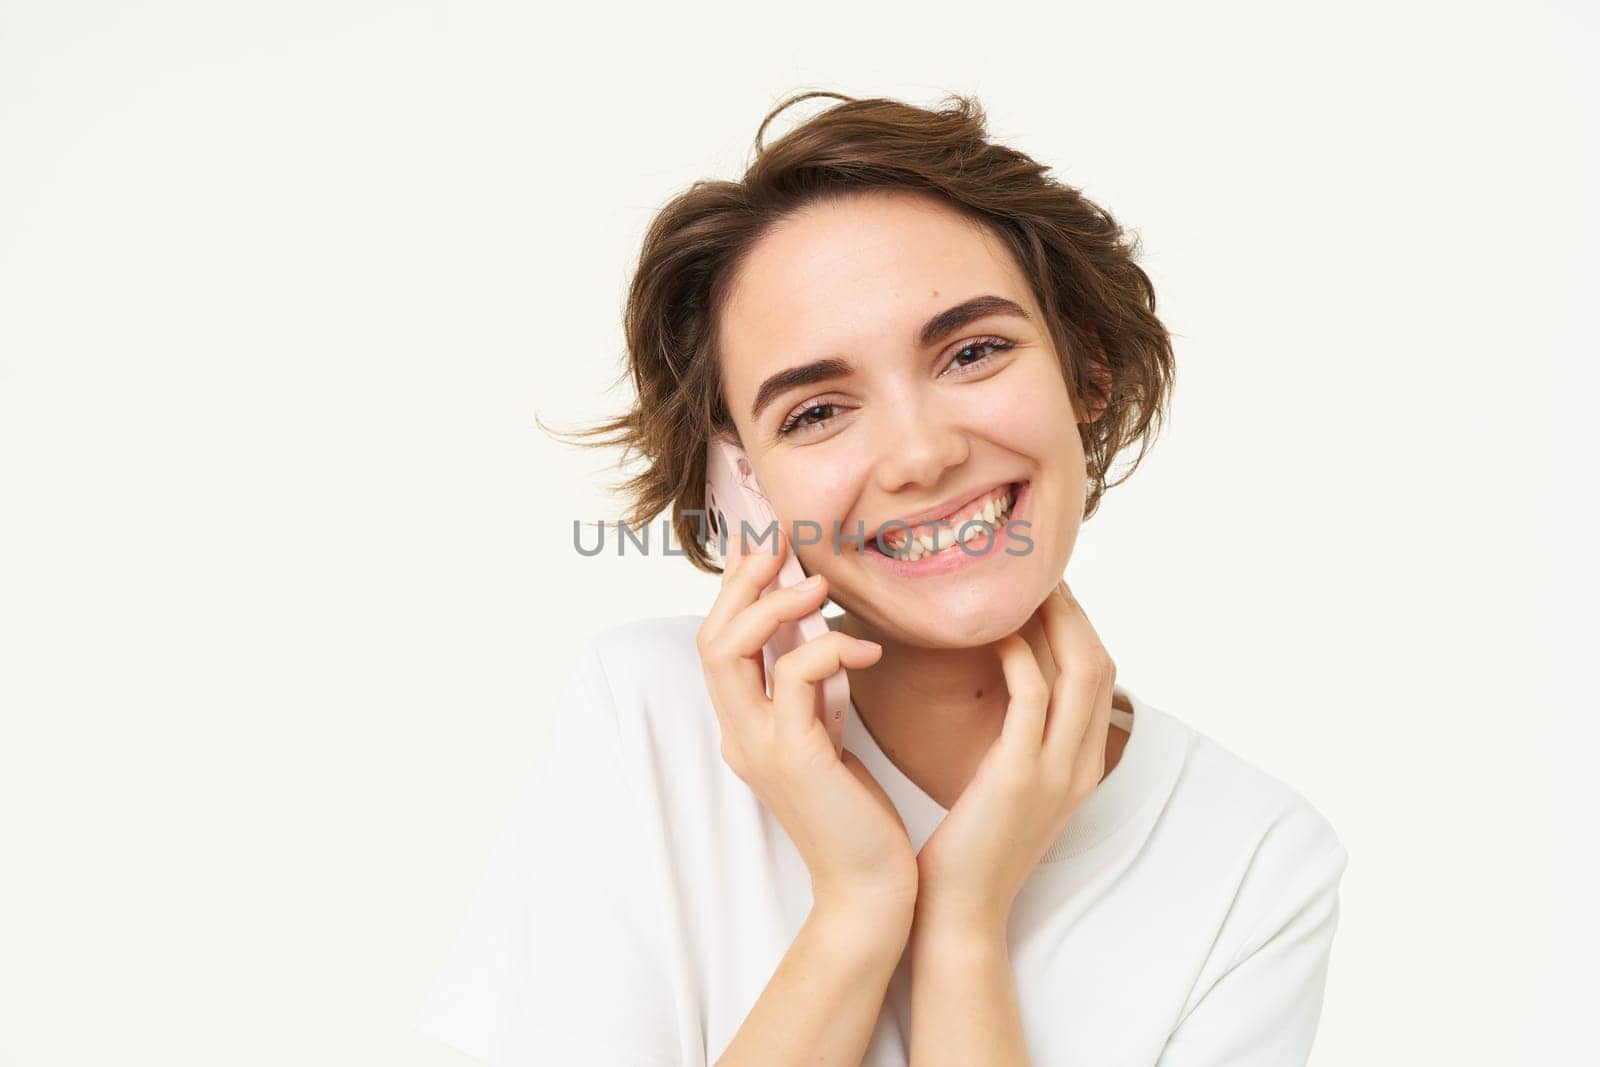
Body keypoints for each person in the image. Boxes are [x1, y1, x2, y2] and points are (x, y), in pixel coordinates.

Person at [414, 90, 1348, 1066]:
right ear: (746, 477)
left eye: (973, 351)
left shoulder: (1254, 854)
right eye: (815, 411)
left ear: (1087, 366)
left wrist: (962, 929)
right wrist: (859, 908)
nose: (918, 454)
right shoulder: (646, 717)